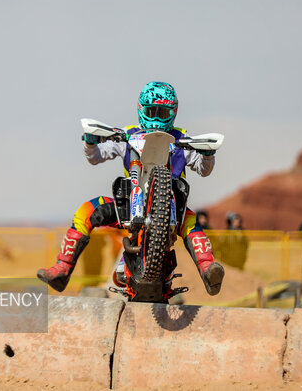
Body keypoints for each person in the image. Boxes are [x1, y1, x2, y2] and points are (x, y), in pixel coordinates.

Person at [37, 81, 225, 296]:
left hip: (172, 207)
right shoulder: (127, 134)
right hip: (129, 203)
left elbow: (203, 169)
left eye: (162, 112)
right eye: (151, 111)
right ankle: (62, 269)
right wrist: (90, 142)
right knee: (86, 211)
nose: (155, 117)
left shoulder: (183, 138)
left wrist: (208, 155)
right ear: (141, 109)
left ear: (173, 113)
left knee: (192, 222)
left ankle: (208, 271)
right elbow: (96, 157)